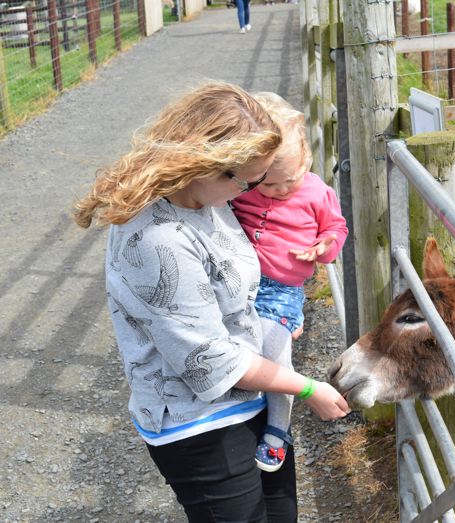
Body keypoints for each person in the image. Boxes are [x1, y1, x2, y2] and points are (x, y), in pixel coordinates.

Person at [72, 82, 351, 522]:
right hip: (199, 423)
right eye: (248, 180)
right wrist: (309, 388)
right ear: (208, 163)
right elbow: (211, 362)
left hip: (254, 397)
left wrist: (272, 314)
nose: (252, 191)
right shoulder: (158, 240)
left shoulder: (207, 197)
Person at [231, 91, 348, 473]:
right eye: (269, 185)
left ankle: (278, 429)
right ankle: (242, 411)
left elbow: (335, 228)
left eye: (289, 181)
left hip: (282, 288)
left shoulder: (316, 191)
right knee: (237, 343)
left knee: (275, 350)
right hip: (241, 280)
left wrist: (324, 246)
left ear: (307, 162)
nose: (281, 191)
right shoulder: (242, 191)